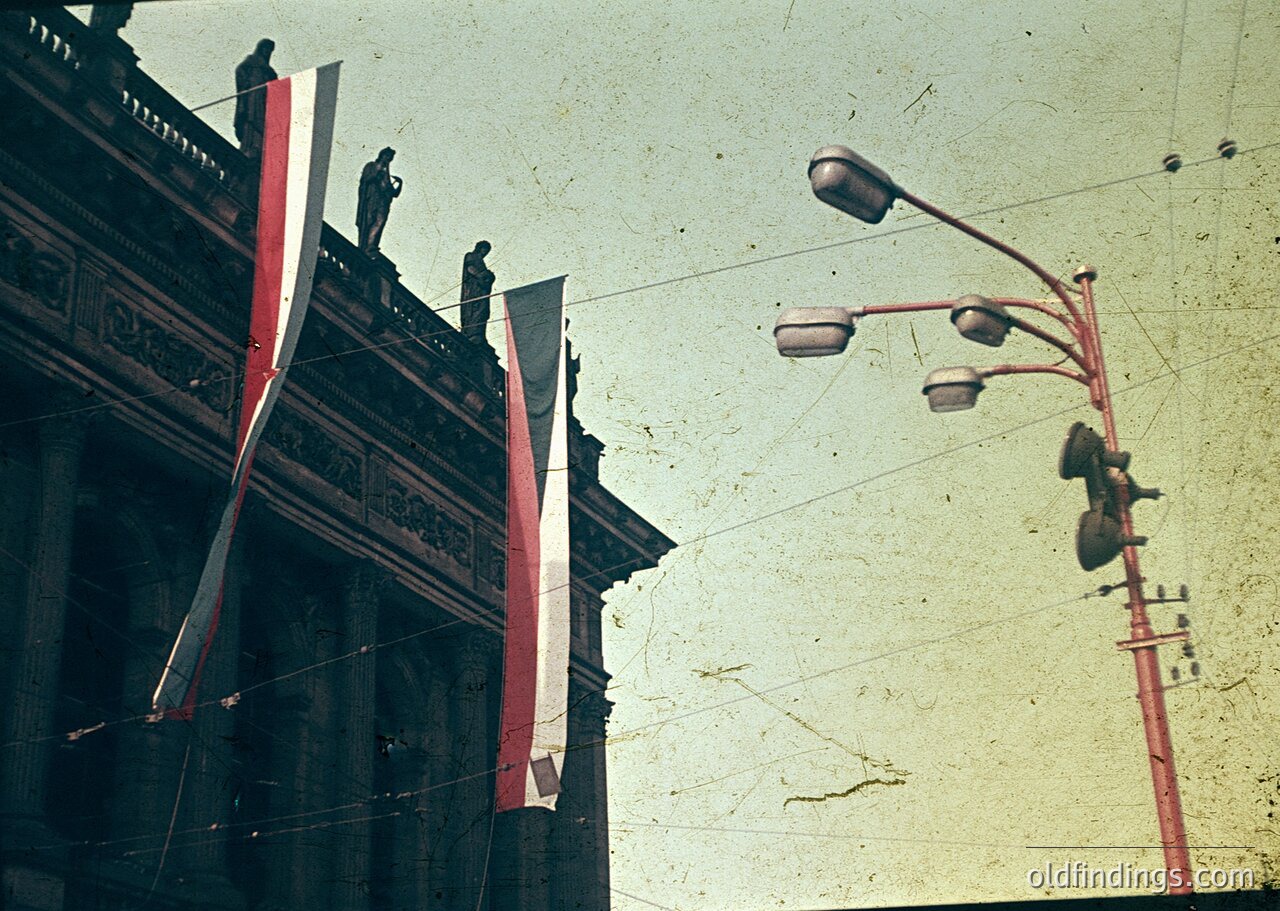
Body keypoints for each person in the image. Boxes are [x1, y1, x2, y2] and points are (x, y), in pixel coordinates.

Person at [233, 39, 276, 158]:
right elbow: (240, 71)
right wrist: (247, 83)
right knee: (251, 120)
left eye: (270, 50)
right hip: (252, 98)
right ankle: (250, 147)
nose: (267, 52)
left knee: (263, 123)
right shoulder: (250, 62)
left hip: (264, 101)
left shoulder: (270, 72)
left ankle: (259, 148)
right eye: (266, 48)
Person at [356, 148, 403, 256]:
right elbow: (366, 179)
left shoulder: (386, 174)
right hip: (372, 198)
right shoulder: (372, 165)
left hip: (383, 202)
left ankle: (371, 245)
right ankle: (367, 246)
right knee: (370, 220)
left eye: (390, 158)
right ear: (381, 155)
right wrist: (377, 173)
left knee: (380, 222)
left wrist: (400, 183)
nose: (388, 159)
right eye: (387, 156)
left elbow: (393, 193)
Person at [460, 241, 495, 346]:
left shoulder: (481, 261)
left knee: (483, 311)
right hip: (473, 290)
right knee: (475, 309)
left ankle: (479, 333)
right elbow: (470, 268)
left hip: (482, 290)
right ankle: (473, 333)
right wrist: (482, 275)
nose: (485, 252)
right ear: (480, 248)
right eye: (485, 249)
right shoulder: (470, 255)